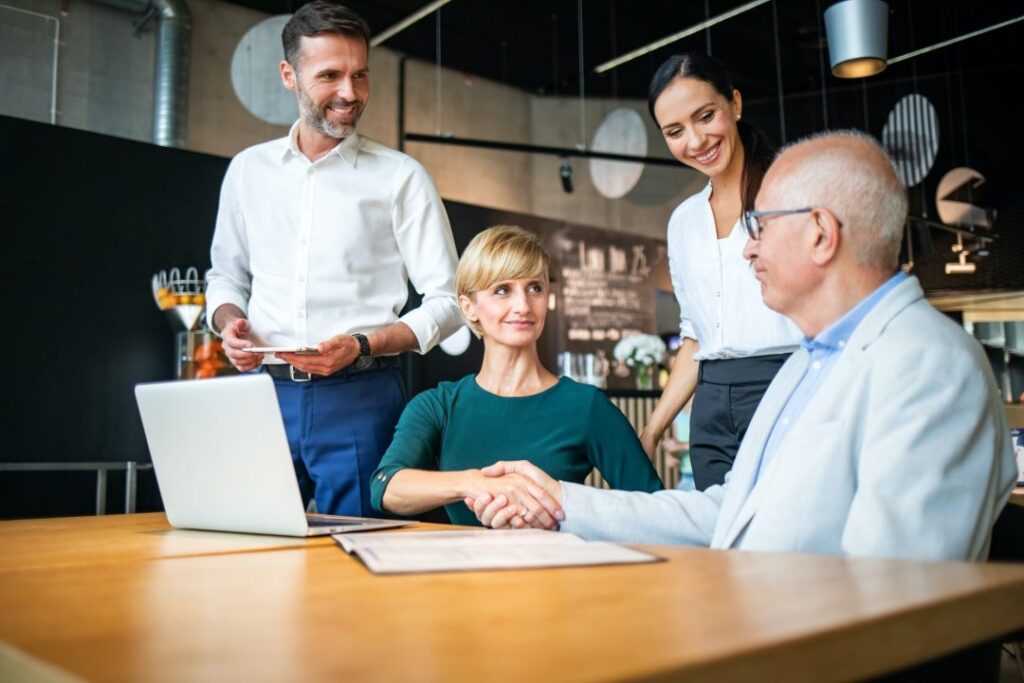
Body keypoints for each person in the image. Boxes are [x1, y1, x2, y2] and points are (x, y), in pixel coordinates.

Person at [467, 131, 1017, 562]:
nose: (748, 248)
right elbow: (729, 514)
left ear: (820, 233)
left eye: (758, 224)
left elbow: (892, 591)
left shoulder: (929, 365)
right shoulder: (810, 361)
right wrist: (562, 502)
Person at [206, 2, 461, 517]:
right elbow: (226, 276)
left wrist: (363, 343)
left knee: (362, 559)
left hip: (362, 396)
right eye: (330, 76)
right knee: (248, 554)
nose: (350, 93)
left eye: (360, 75)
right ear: (288, 75)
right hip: (260, 397)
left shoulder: (400, 177)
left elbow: (450, 301)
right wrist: (229, 322)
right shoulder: (247, 172)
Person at [370, 226, 663, 527]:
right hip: (460, 571)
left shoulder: (586, 406)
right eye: (502, 290)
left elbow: (654, 510)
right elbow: (386, 486)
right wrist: (477, 483)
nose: (523, 306)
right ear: (468, 307)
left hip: (558, 569)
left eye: (535, 287)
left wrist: (562, 510)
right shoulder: (439, 405)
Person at [640, 54, 801, 491]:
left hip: (786, 385)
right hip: (710, 407)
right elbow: (696, 337)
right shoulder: (684, 221)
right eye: (675, 132)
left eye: (705, 116)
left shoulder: (791, 195)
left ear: (735, 104)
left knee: (783, 540)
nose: (695, 141)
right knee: (723, 541)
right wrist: (652, 429)